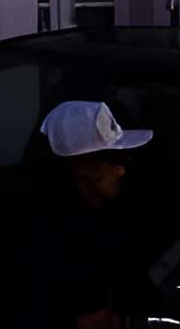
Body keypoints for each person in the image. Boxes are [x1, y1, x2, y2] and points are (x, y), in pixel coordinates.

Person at [24, 98, 152, 329]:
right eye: (114, 158)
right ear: (81, 164)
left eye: (124, 158)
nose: (121, 170)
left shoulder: (110, 221)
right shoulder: (45, 233)